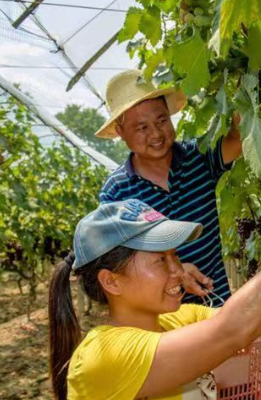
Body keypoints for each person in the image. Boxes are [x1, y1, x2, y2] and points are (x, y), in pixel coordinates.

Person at [48, 196, 261, 400]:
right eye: (160, 260)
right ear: (111, 281)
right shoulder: (101, 356)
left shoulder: (173, 321)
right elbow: (235, 328)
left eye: (175, 256)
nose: (178, 271)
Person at [96, 69, 242, 304]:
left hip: (216, 305)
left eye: (162, 120)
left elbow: (238, 139)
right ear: (121, 133)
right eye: (142, 127)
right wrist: (175, 271)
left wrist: (244, 87)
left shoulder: (199, 157)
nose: (155, 133)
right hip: (162, 322)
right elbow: (119, 260)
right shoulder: (116, 192)